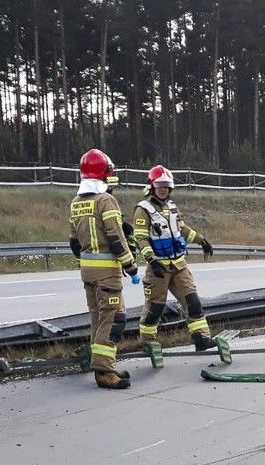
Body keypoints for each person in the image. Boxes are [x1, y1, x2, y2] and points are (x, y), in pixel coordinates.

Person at [69, 149, 138, 389]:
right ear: (106, 174)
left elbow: (74, 244)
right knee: (114, 318)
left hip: (87, 273)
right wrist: (131, 265)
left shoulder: (77, 203)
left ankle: (103, 366)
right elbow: (115, 238)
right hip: (108, 271)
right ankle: (104, 372)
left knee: (98, 319)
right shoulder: (106, 200)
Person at [131, 165, 217, 351]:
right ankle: (147, 342)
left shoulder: (172, 207)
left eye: (166, 186)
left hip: (179, 265)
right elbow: (140, 238)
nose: (163, 189)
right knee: (155, 309)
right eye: (159, 185)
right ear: (152, 186)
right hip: (158, 268)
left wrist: (201, 240)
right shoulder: (142, 210)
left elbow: (182, 229)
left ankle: (201, 338)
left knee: (193, 302)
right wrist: (151, 260)